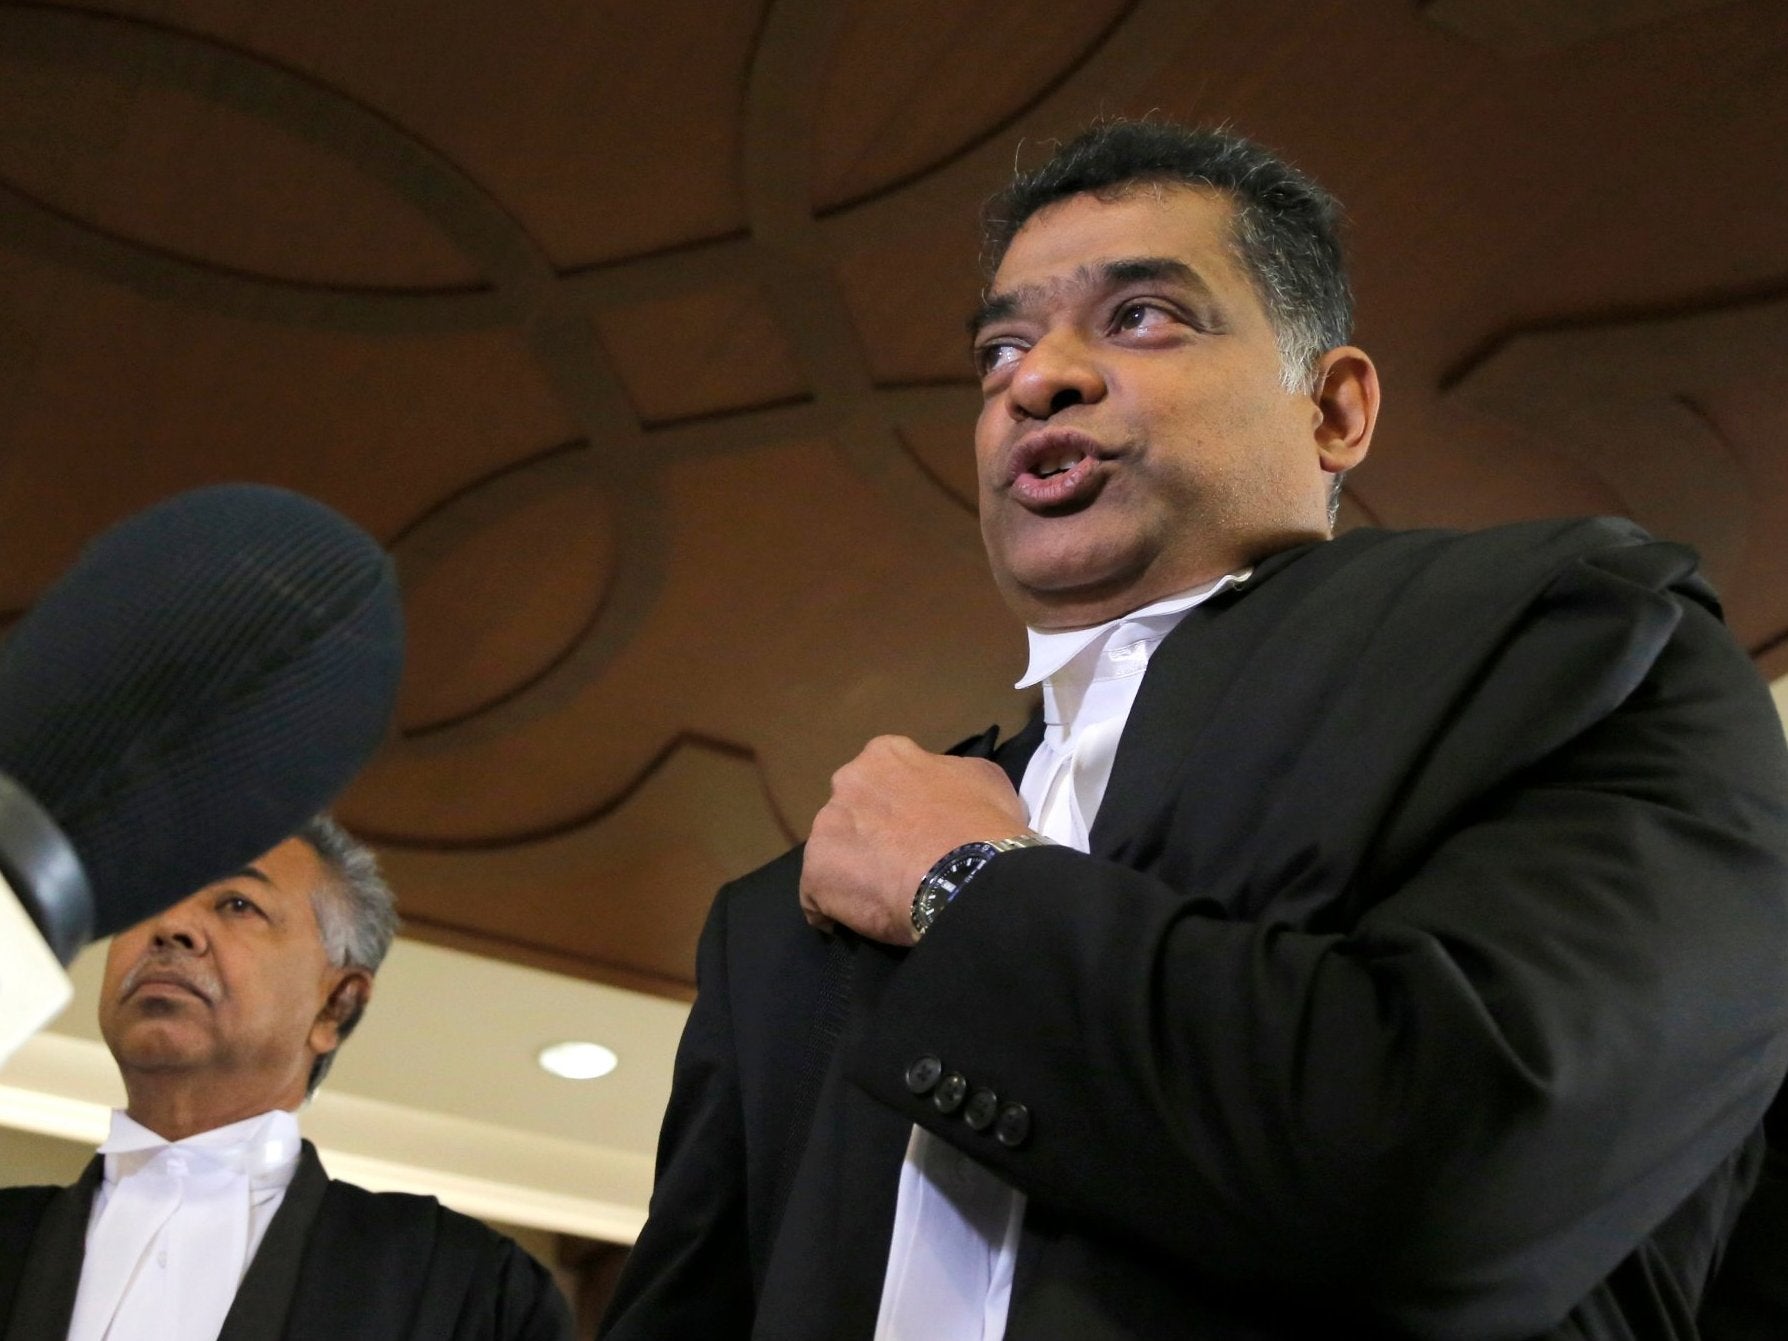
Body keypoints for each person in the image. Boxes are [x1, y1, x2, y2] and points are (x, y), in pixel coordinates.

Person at [599, 120, 1788, 1339]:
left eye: (1141, 317)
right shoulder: (781, 917)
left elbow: (1470, 1172)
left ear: (1332, 410)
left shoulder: (1580, 642)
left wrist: (965, 886)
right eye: (1001, 347)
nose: (1034, 378)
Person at [0, 816, 576, 1341]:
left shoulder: (457, 1284)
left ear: (336, 1006)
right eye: (154, 898)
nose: (171, 925)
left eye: (236, 905)